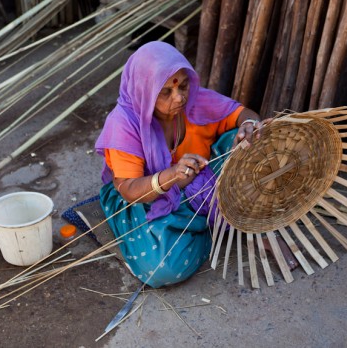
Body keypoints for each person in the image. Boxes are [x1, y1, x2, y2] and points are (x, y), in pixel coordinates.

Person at [95, 41, 263, 288]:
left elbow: (243, 114)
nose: (180, 97)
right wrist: (171, 176)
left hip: (197, 177)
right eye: (166, 92)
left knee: (240, 142)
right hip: (143, 196)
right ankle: (212, 223)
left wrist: (250, 126)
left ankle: (205, 216)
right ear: (145, 91)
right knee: (164, 269)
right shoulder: (124, 125)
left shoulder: (196, 101)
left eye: (183, 86)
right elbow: (129, 189)